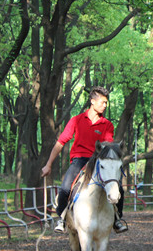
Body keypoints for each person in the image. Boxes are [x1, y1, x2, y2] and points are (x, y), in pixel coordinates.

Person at [41, 86, 127, 234]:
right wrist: (48, 165)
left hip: (98, 161)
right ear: (92, 101)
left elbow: (107, 147)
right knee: (65, 188)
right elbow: (61, 142)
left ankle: (116, 219)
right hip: (79, 160)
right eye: (103, 102)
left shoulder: (107, 125)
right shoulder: (76, 120)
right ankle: (61, 218)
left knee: (118, 188)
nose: (105, 105)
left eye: (106, 103)